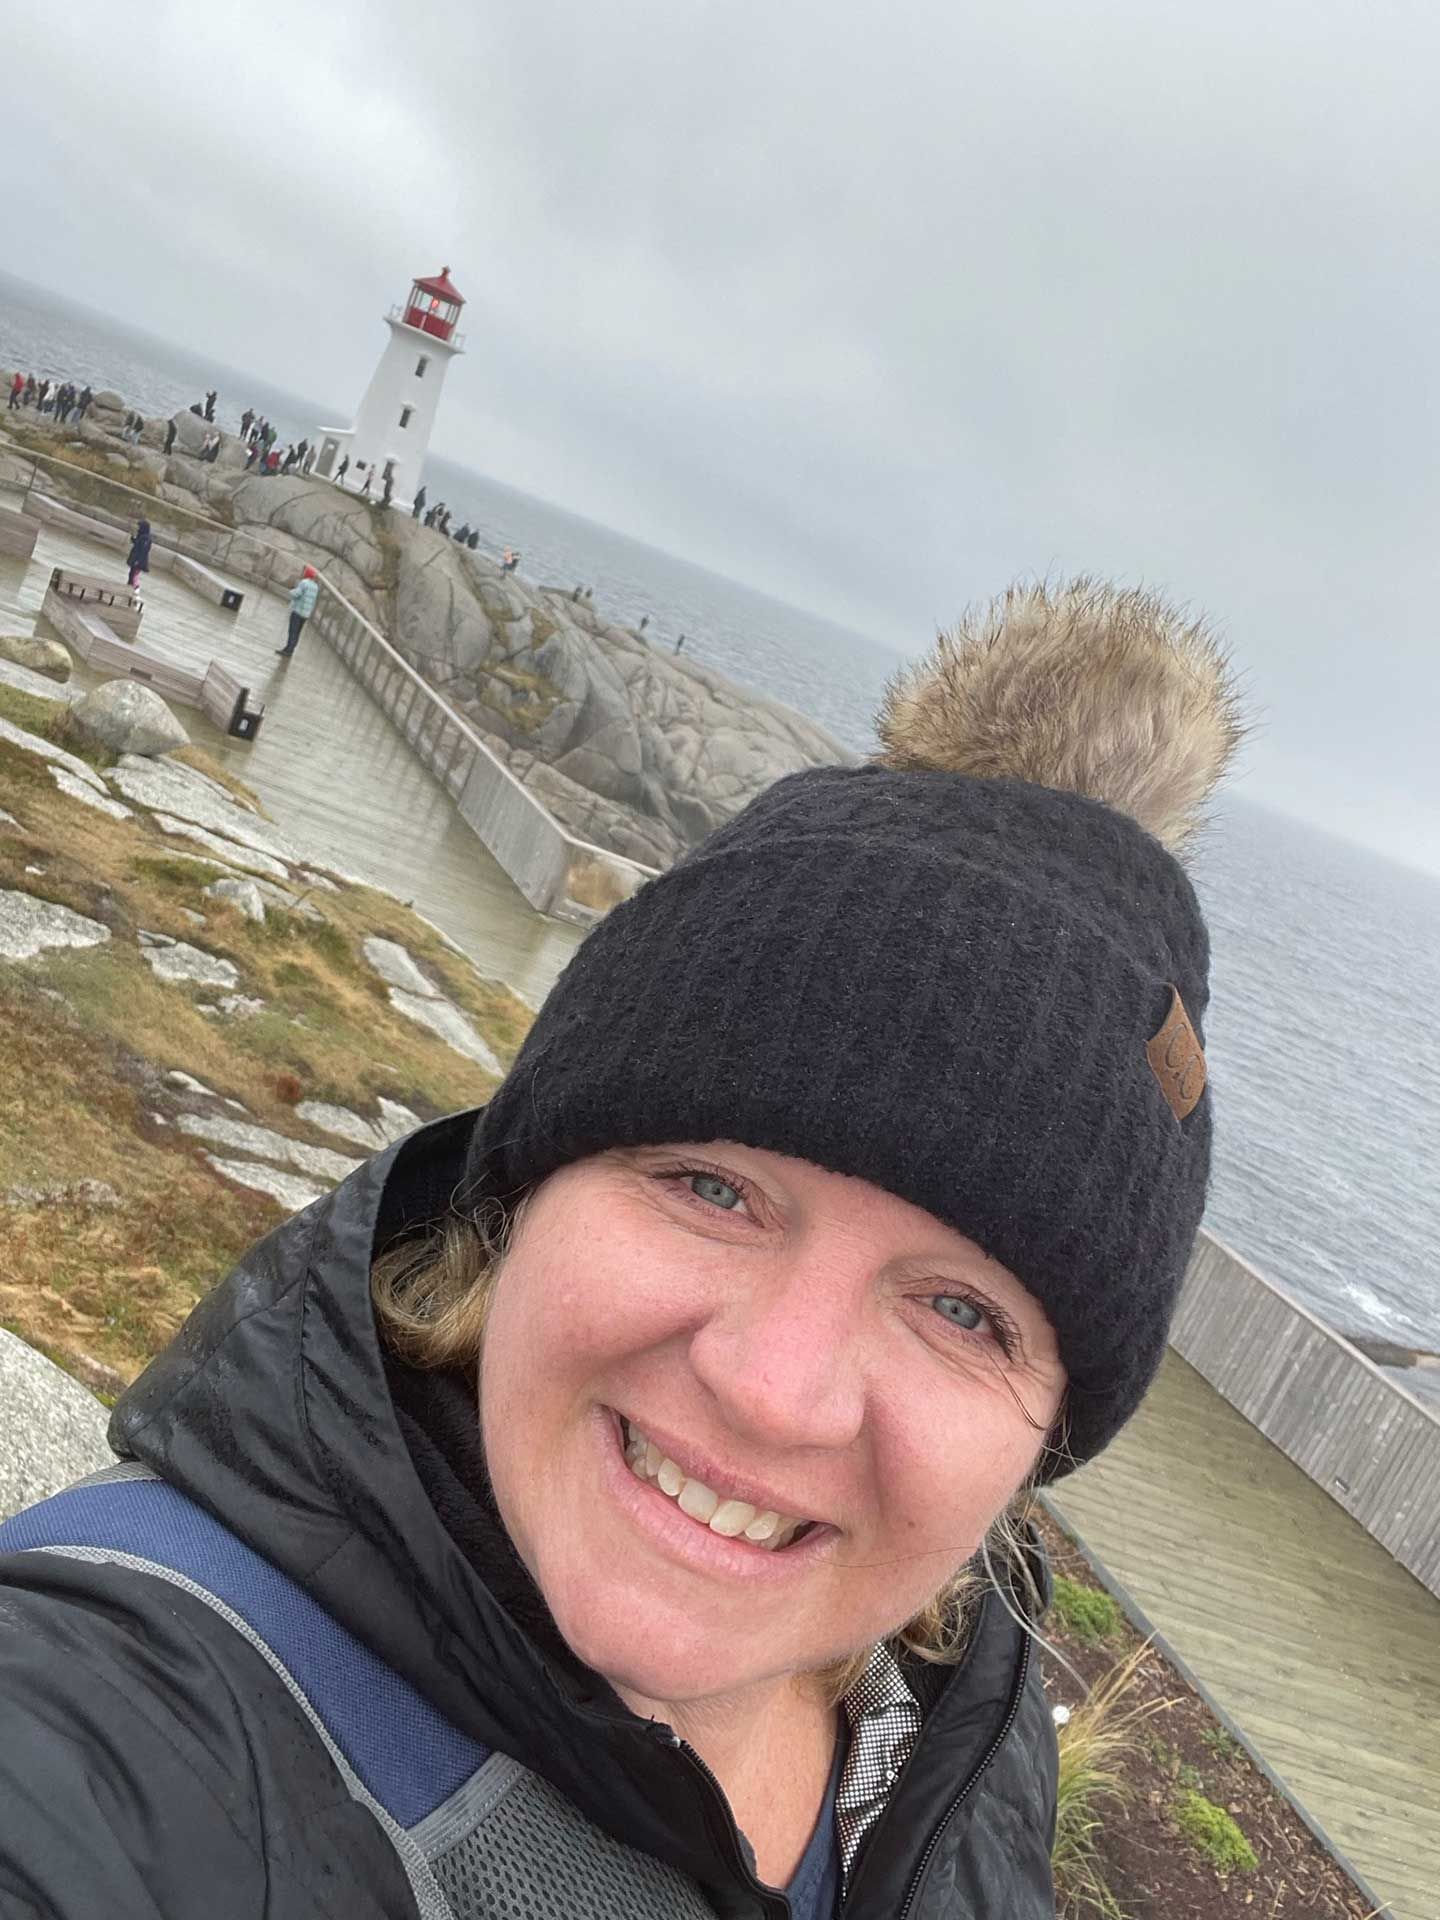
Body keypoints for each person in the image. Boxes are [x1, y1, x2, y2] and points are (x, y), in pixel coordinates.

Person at [0, 579, 1243, 1919]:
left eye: (961, 1311)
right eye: (713, 1188)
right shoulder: (122, 1709)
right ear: (520, 1195)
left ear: (1048, 1429)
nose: (775, 1386)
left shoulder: (960, 1736)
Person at [275, 563, 320, 657]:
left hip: (298, 611)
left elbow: (297, 594)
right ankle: (290, 648)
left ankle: (288, 650)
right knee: (297, 632)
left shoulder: (304, 583)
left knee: (292, 631)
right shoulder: (316, 587)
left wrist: (291, 591)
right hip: (305, 614)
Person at [125, 518, 152, 589]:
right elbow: (138, 544)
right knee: (131, 573)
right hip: (135, 559)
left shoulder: (146, 538)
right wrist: (133, 539)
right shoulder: (142, 536)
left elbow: (143, 551)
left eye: (140, 526)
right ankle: (130, 587)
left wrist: (138, 561)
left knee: (134, 575)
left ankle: (134, 587)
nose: (138, 528)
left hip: (138, 561)